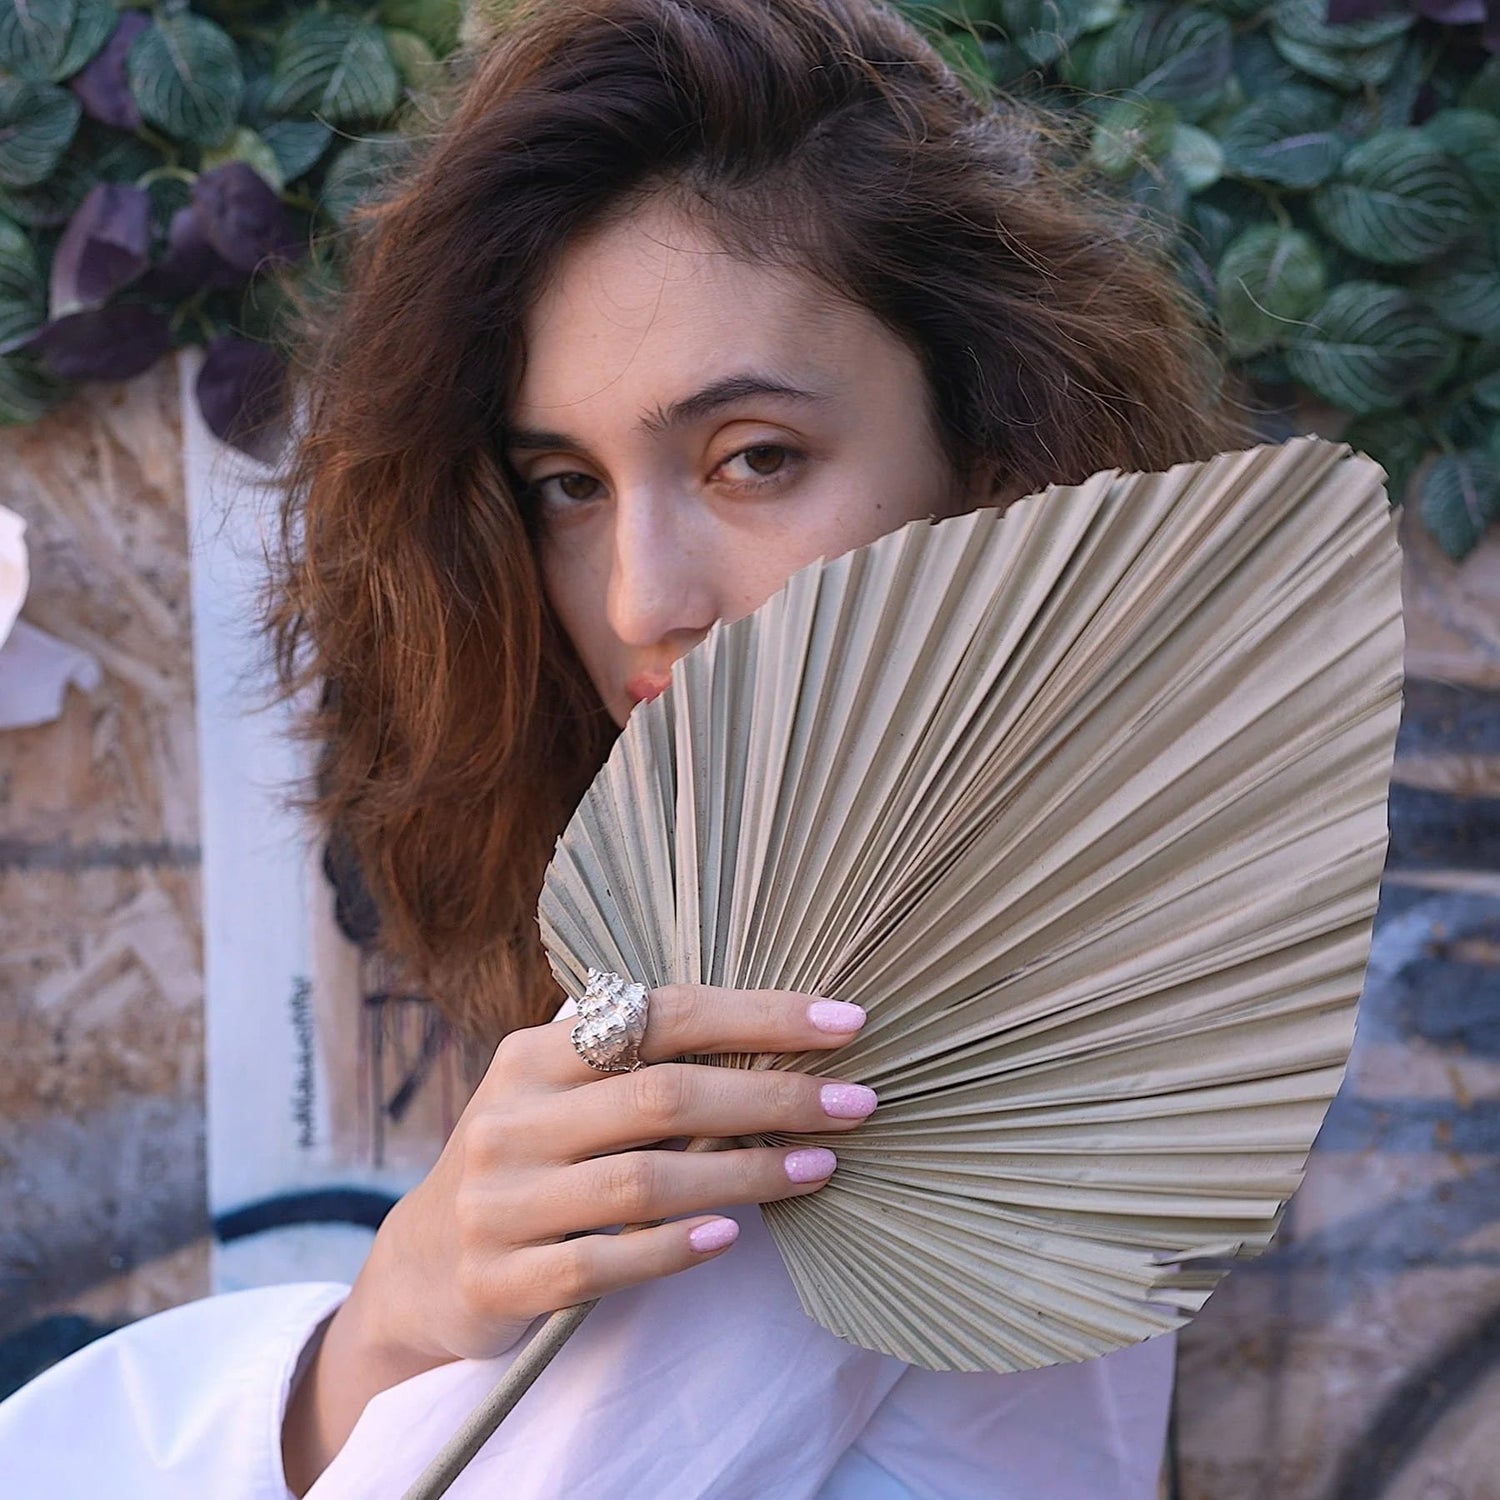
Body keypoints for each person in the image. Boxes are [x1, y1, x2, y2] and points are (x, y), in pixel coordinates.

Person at [0, 0, 1244, 1494]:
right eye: (567, 486)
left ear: (991, 464)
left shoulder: (861, 1027)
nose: (643, 600)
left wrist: (385, 1337)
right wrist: (381, 1333)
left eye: (754, 459)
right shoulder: (1023, 917)